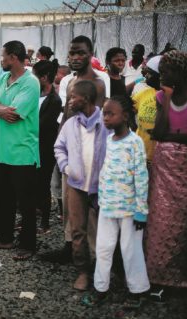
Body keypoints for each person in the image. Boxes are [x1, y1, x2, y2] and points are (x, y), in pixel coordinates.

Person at [81, 95, 150, 307]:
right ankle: (101, 289)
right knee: (103, 248)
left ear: (126, 116)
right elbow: (105, 172)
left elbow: (141, 176)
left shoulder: (135, 142)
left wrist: (141, 210)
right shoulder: (109, 140)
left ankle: (137, 292)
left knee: (131, 250)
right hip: (108, 206)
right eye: (105, 113)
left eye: (111, 114)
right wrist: (99, 197)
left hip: (130, 209)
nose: (106, 117)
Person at [145, 50, 187, 300]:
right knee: (161, 219)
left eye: (167, 71)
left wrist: (170, 138)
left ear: (180, 73)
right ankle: (161, 277)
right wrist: (166, 98)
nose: (161, 75)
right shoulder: (160, 96)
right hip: (165, 167)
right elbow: (158, 131)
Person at [0, 40, 40, 261]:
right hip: (1, 151)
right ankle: (4, 238)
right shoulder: (4, 78)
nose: (1, 59)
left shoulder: (30, 83)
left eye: (3, 56)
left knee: (25, 202)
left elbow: (15, 114)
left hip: (22, 152)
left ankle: (28, 244)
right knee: (3, 198)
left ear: (13, 57)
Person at [54, 80, 109, 290]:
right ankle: (83, 272)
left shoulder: (106, 122)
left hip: (102, 187)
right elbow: (59, 147)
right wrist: (67, 168)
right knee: (78, 231)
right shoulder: (70, 125)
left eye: (73, 97)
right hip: (76, 185)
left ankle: (104, 271)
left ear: (85, 99)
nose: (69, 102)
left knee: (104, 230)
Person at [33, 59, 62, 234]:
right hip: (32, 146)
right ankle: (33, 216)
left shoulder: (54, 100)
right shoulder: (35, 95)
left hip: (45, 148)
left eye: (35, 76)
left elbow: (43, 125)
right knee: (32, 183)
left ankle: (44, 223)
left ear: (44, 78)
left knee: (43, 184)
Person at [59, 36, 110, 115]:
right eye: (72, 53)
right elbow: (65, 114)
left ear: (91, 55)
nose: (75, 58)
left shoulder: (101, 80)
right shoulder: (69, 81)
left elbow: (94, 115)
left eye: (81, 53)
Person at [133, 55, 161, 165]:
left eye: (150, 73)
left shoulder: (172, 97)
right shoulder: (144, 93)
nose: (146, 76)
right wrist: (135, 127)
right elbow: (128, 109)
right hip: (141, 153)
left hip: (160, 156)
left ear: (160, 76)